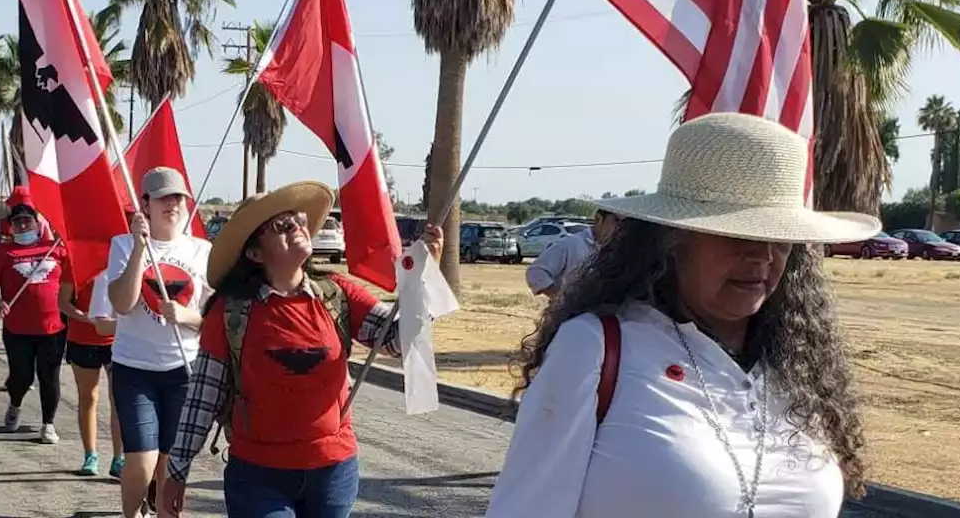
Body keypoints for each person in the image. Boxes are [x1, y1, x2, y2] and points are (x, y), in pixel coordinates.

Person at [484, 113, 878, 518]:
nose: (761, 255)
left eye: (779, 238)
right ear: (672, 240)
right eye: (737, 233)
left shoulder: (797, 369)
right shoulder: (596, 350)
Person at [162, 181, 443, 518]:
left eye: (297, 219)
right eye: (280, 226)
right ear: (255, 253)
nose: (296, 226)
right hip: (257, 476)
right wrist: (176, 473)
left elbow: (397, 341)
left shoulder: (337, 294)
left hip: (333, 472)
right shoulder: (231, 311)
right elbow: (202, 397)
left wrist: (424, 280)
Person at [91, 167, 212, 518]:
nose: (172, 204)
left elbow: (215, 321)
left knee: (171, 466)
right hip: (134, 370)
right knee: (142, 462)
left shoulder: (202, 251)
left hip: (185, 371)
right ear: (145, 204)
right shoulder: (123, 245)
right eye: (163, 197)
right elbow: (122, 303)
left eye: (178, 197)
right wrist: (140, 249)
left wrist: (186, 317)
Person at [0, 202, 67, 444]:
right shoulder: (2, 253)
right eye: (17, 221)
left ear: (37, 224)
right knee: (22, 377)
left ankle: (48, 424)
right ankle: (15, 404)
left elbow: (72, 280)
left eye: (27, 220)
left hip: (53, 328)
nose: (23, 224)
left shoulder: (55, 249)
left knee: (49, 377)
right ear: (12, 226)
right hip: (18, 329)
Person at [60, 252, 124, 478]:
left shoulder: (127, 258)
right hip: (83, 339)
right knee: (88, 397)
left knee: (120, 400)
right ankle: (90, 455)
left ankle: (119, 458)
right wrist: (86, 317)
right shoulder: (77, 258)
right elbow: (63, 302)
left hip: (118, 340)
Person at [524, 209, 620, 297]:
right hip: (570, 314)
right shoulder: (571, 244)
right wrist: (560, 299)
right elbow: (536, 272)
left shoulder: (613, 251)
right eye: (616, 221)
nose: (618, 228)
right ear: (598, 219)